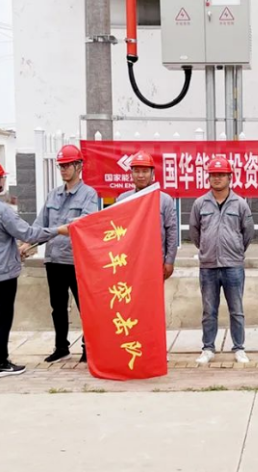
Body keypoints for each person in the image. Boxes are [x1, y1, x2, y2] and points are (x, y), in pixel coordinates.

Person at [20, 144, 98, 363]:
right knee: (58, 307)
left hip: (77, 261)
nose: (63, 170)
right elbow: (40, 224)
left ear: (79, 166)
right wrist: (26, 244)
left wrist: (54, 231)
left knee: (86, 307)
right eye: (61, 166)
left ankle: (90, 347)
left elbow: (84, 225)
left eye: (67, 165)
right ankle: (61, 347)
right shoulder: (53, 195)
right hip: (54, 260)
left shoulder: (89, 195)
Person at [0, 163, 70, 377]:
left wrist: (17, 249)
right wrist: (59, 230)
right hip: (3, 274)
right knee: (2, 317)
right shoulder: (3, 210)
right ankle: (1, 362)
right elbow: (29, 233)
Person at [189, 157, 254, 364]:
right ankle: (208, 348)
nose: (217, 178)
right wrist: (207, 248)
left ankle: (239, 348)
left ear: (229, 177)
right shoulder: (200, 204)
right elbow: (195, 232)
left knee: (237, 310)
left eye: (221, 175)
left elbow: (247, 233)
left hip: (233, 266)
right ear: (208, 177)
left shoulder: (240, 204)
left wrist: (235, 249)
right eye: (213, 175)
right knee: (209, 310)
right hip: (208, 266)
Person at [117, 151, 177, 281]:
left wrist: (169, 261)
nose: (140, 175)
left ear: (152, 173)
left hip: (155, 261)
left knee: (152, 294)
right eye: (137, 171)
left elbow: (171, 233)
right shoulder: (122, 200)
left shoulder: (164, 200)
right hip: (128, 261)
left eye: (145, 171)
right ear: (131, 173)